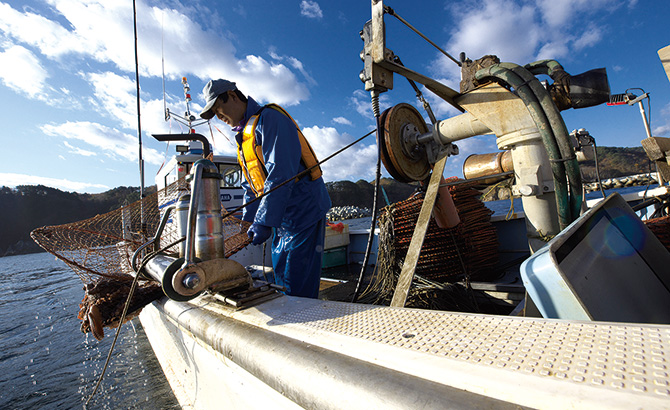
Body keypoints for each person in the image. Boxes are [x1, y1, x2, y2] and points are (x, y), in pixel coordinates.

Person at [200, 79, 331, 298]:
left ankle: (301, 323)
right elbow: (251, 185)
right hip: (283, 218)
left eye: (217, 108)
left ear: (232, 95)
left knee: (297, 278)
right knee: (281, 271)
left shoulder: (270, 119)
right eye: (213, 114)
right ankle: (291, 314)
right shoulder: (244, 136)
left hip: (304, 209)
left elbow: (281, 173)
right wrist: (248, 221)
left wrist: (263, 221)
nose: (218, 117)